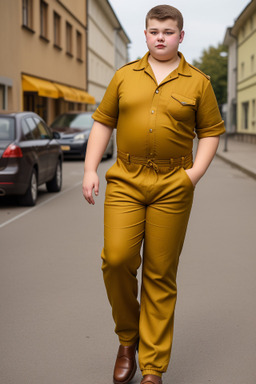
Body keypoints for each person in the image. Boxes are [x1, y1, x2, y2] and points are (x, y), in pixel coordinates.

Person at [82, 5, 225, 384]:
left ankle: (152, 367)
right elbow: (102, 122)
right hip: (126, 180)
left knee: (160, 274)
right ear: (145, 35)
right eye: (153, 30)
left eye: (168, 30)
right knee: (116, 259)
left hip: (173, 184)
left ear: (181, 36)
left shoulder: (198, 82)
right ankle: (127, 339)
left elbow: (210, 132)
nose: (160, 36)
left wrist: (193, 176)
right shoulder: (124, 76)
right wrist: (88, 169)